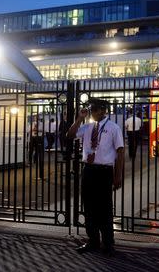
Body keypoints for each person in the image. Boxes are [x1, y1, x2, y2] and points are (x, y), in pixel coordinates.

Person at [67, 98, 124, 255]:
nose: (91, 112)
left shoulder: (113, 128)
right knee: (89, 207)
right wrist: (79, 118)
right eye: (90, 109)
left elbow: (120, 151)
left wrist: (118, 176)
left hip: (104, 171)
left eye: (93, 109)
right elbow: (70, 135)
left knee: (104, 208)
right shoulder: (86, 127)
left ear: (103, 110)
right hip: (89, 170)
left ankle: (108, 243)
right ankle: (93, 241)